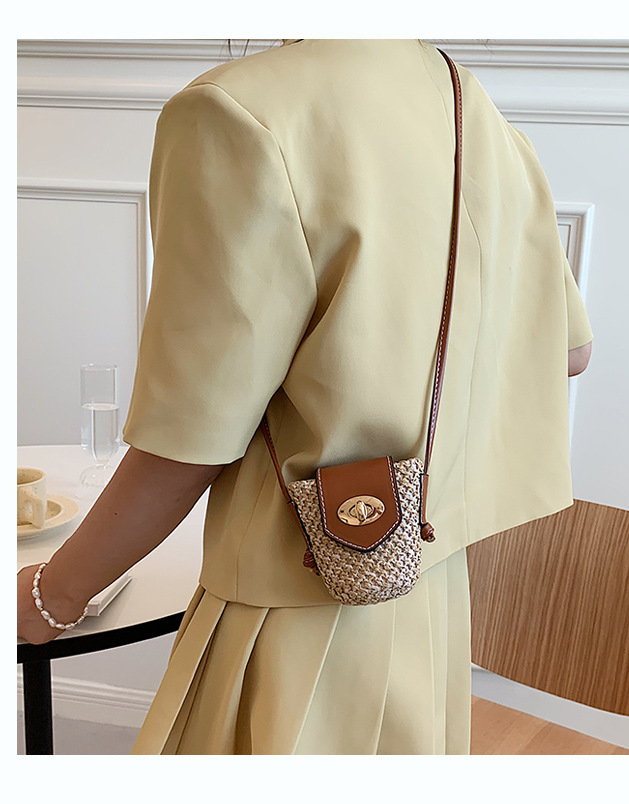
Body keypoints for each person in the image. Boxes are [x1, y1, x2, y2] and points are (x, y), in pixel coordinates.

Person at [17, 39, 593, 754]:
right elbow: (571, 352)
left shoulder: (236, 114)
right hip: (424, 597)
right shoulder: (466, 101)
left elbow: (187, 440)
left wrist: (51, 597)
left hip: (295, 609)